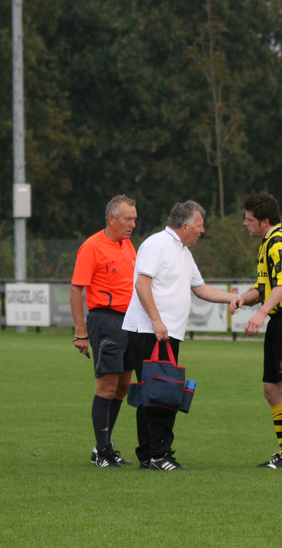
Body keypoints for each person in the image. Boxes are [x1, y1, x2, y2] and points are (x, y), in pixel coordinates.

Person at [122, 200, 235, 471]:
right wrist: (156, 320)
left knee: (152, 393)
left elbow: (201, 288)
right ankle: (160, 456)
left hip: (164, 333)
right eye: (200, 225)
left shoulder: (183, 251)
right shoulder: (157, 244)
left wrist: (234, 298)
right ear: (184, 226)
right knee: (162, 394)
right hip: (150, 332)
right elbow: (142, 283)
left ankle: (148, 455)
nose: (202, 230)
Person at [230, 194, 282, 469]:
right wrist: (243, 299)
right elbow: (263, 288)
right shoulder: (267, 245)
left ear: (264, 221)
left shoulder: (279, 243)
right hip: (280, 321)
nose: (245, 224)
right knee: (271, 389)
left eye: (249, 219)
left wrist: (261, 313)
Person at [70, 194, 138, 468]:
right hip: (106, 320)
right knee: (107, 386)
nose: (133, 224)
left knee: (122, 388)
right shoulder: (92, 246)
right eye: (128, 219)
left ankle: (105, 448)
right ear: (112, 219)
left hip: (130, 322)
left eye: (134, 219)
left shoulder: (128, 245)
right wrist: (80, 333)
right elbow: (76, 289)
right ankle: (101, 451)